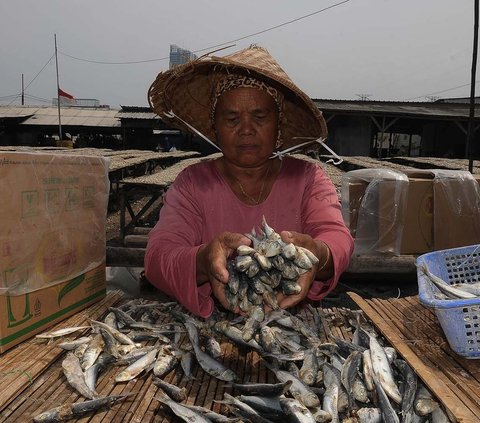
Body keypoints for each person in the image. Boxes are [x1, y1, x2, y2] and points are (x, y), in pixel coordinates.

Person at [144, 45, 354, 318]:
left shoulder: (308, 179)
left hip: (292, 319)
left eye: (259, 117)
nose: (245, 130)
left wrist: (316, 254)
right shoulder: (192, 183)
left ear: (278, 126)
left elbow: (338, 239)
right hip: (214, 324)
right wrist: (204, 260)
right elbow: (158, 257)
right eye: (232, 118)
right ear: (215, 128)